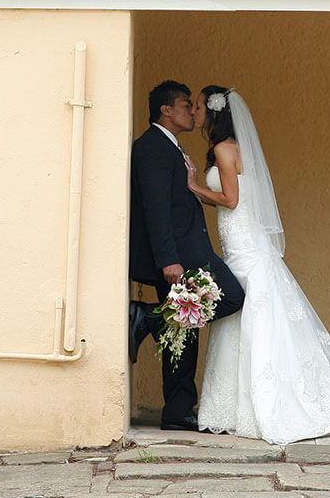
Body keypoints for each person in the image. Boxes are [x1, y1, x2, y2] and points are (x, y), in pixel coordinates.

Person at [185, 85, 330, 445]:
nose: (196, 110)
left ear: (214, 113)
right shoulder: (234, 148)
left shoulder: (222, 149)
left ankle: (251, 406)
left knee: (247, 321)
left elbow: (230, 200)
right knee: (243, 320)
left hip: (244, 249)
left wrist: (192, 187)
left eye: (200, 105)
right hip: (243, 246)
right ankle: (234, 408)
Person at [128, 80, 246, 431]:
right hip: (179, 253)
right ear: (166, 110)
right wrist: (168, 259)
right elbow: (156, 208)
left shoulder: (172, 147)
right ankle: (150, 318)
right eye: (184, 104)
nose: (191, 111)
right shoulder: (151, 148)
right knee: (232, 297)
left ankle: (178, 410)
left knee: (185, 332)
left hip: (186, 248)